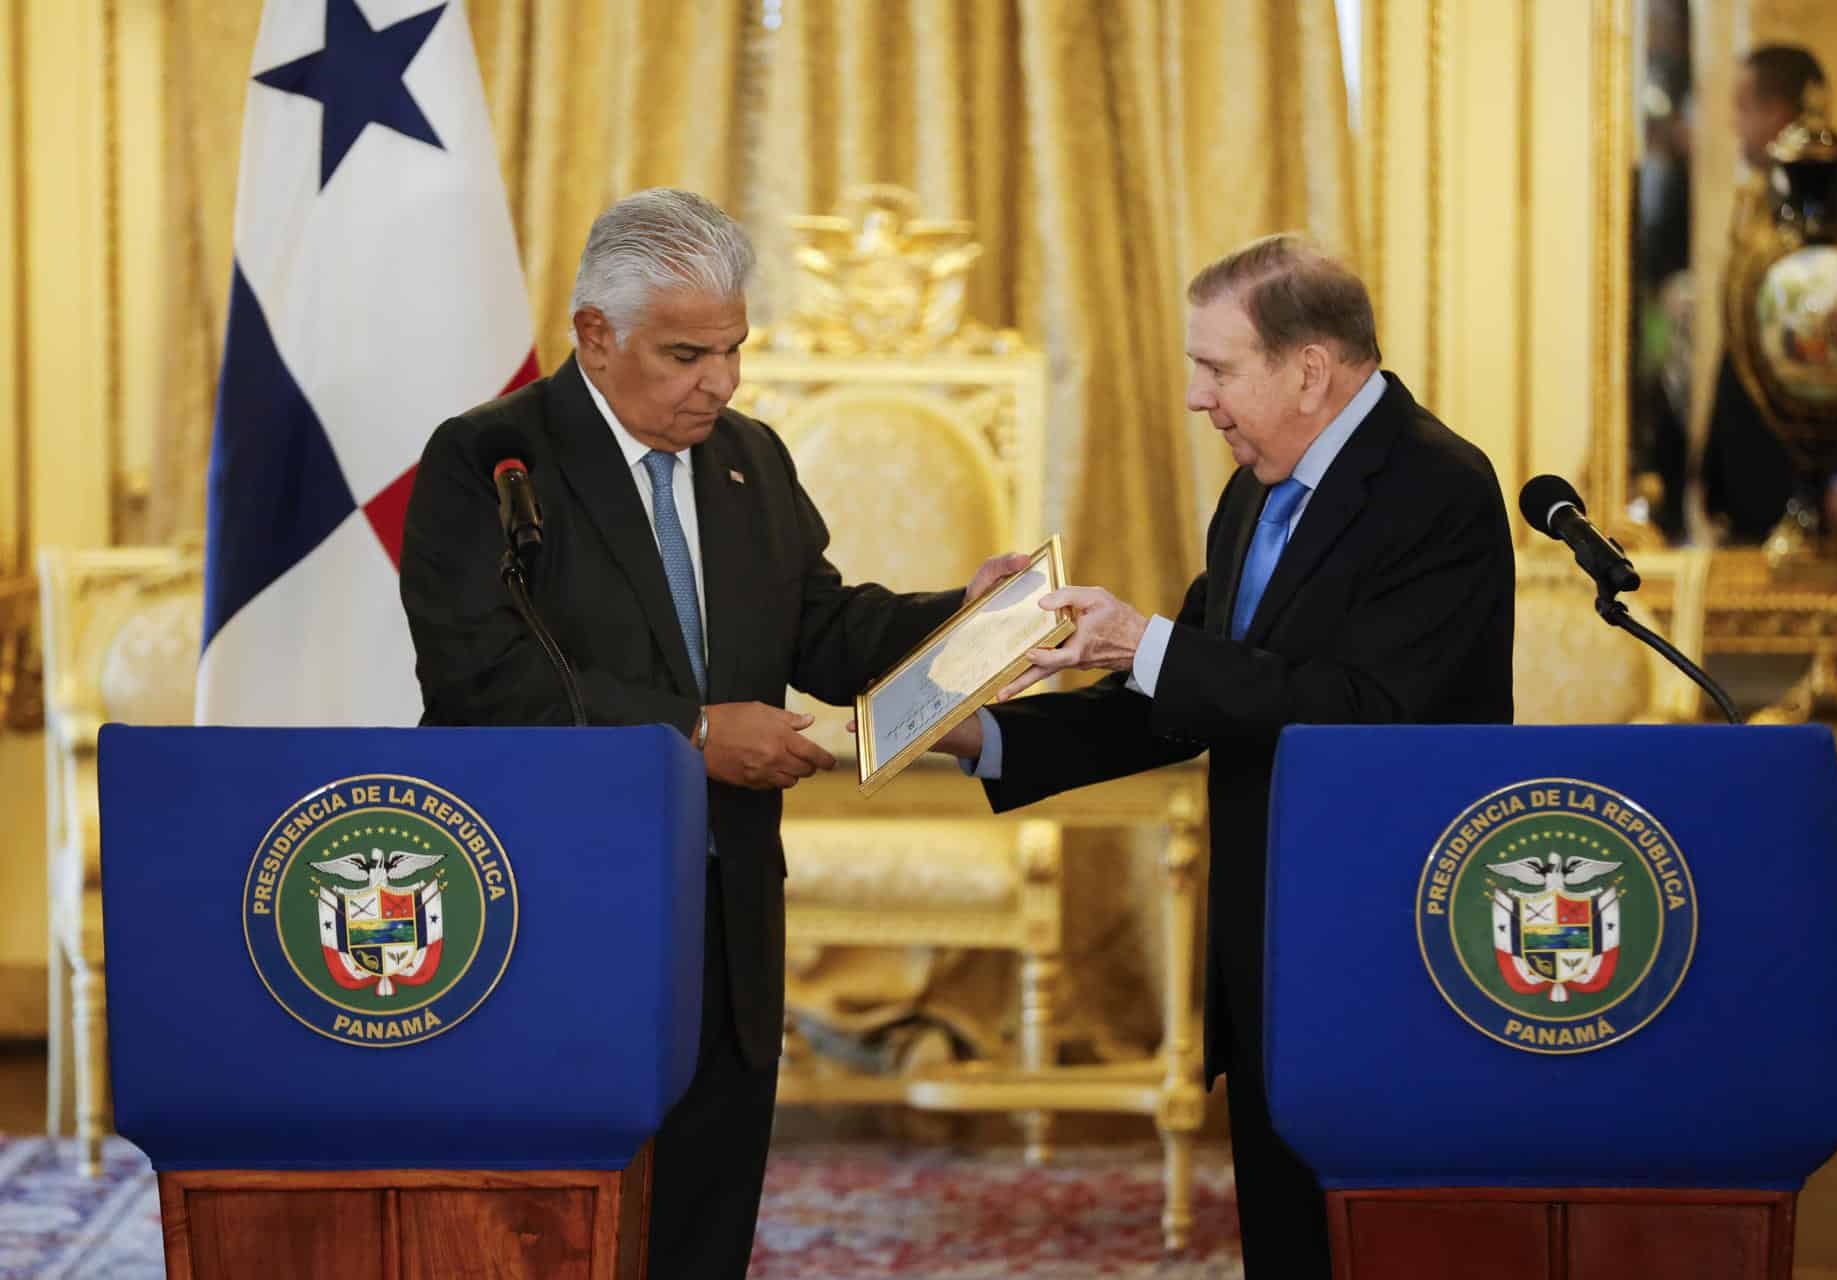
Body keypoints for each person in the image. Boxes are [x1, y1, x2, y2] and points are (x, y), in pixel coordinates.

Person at [398, 188, 1023, 1279]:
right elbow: (481, 675)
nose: (721, 381)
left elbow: (820, 629)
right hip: (552, 898)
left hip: (725, 898)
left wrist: (961, 612)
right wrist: (690, 730)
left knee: (707, 1200)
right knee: (552, 1217)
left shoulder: (750, 457)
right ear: (596, 334)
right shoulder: (491, 460)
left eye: (734, 349)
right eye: (688, 353)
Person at [933, 235, 1515, 1277]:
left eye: (1215, 368)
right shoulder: (1257, 482)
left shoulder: (1439, 487)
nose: (1198, 399)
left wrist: (1145, 640)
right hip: (1267, 940)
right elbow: (1186, 699)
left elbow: (1370, 714)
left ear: (1307, 369)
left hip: (1389, 942)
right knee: (1283, 1235)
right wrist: (989, 733)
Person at [1704, 44, 1837, 543]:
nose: (1735, 125)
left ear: (1777, 112)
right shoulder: (1757, 203)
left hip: (1832, 494)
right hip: (1753, 486)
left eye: (1743, 107)